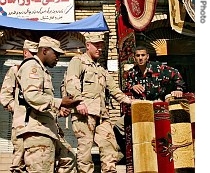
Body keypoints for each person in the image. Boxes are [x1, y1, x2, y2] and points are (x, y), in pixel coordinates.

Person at [64, 32, 132, 173]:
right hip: (84, 113)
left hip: (101, 114)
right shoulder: (78, 61)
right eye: (96, 45)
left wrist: (131, 101)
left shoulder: (101, 69)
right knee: (85, 150)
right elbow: (71, 82)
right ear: (88, 45)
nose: (99, 49)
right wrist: (79, 102)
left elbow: (114, 90)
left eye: (101, 46)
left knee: (109, 145)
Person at [13, 36, 80, 173]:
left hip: (48, 130)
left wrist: (59, 109)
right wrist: (60, 101)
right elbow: (32, 96)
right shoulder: (32, 66)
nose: (58, 58)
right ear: (44, 50)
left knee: (68, 158)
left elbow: (41, 101)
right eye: (56, 54)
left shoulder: (41, 69)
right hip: (37, 132)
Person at [113, 45, 185, 160]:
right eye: (138, 56)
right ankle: (125, 153)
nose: (140, 58)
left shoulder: (159, 68)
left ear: (147, 57)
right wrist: (132, 86)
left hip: (157, 107)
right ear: (134, 58)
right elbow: (124, 89)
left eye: (143, 55)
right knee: (118, 125)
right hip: (139, 109)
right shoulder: (131, 73)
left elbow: (176, 74)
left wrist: (178, 89)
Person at [0, 39, 38, 173]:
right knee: (19, 160)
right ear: (26, 53)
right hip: (20, 122)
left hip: (37, 123)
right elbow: (5, 95)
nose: (35, 56)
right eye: (32, 53)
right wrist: (15, 108)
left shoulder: (39, 71)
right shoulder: (16, 70)